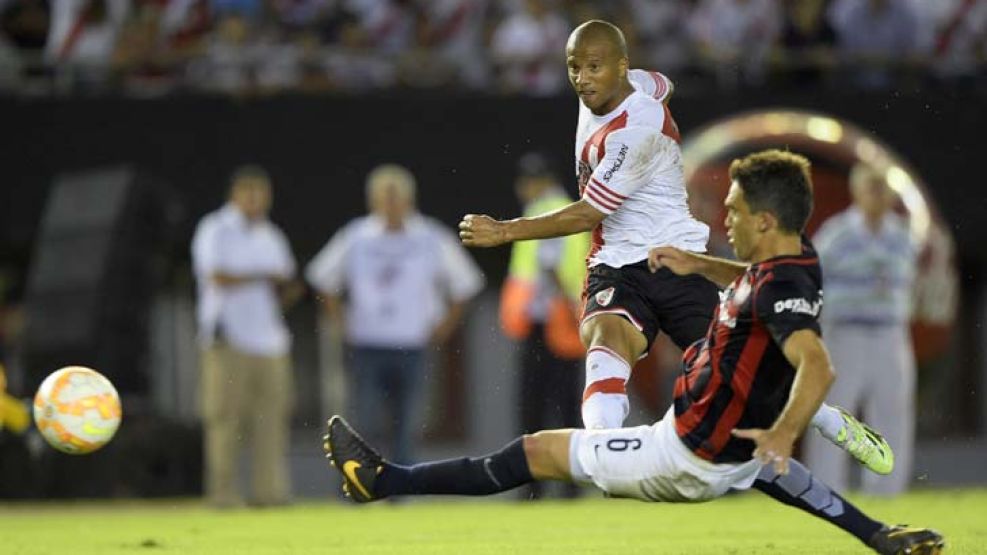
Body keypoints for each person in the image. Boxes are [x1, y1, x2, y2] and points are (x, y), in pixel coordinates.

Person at [323, 150, 944, 555]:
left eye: (730, 211)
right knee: (759, 457)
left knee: (533, 451)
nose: (719, 219)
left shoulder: (778, 287)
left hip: (681, 456)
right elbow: (759, 288)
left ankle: (382, 481)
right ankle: (878, 535)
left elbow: (818, 363)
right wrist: (696, 262)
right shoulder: (794, 260)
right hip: (723, 447)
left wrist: (785, 433)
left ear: (761, 220)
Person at [458, 19, 892, 475]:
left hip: (676, 262)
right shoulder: (629, 84)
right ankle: (605, 455)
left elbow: (589, 213)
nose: (582, 78)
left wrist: (505, 231)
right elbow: (663, 82)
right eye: (573, 67)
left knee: (745, 376)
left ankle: (833, 422)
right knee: (606, 340)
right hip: (616, 265)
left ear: (620, 67)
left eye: (593, 67)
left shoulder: (637, 127)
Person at [306, 164, 484, 464]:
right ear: (373, 200)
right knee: (363, 422)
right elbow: (322, 279)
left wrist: (443, 327)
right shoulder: (357, 236)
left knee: (408, 423)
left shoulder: (429, 237)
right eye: (384, 197)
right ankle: (357, 490)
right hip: (367, 343)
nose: (390, 204)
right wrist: (340, 322)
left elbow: (466, 284)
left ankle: (401, 490)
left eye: (396, 197)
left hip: (413, 344)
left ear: (409, 199)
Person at [804, 164, 919, 496]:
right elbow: (814, 281)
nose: (878, 196)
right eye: (872, 188)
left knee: (892, 412)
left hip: (890, 334)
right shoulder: (837, 233)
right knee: (835, 412)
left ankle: (887, 491)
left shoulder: (902, 235)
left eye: (882, 189)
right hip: (845, 334)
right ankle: (825, 488)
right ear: (857, 192)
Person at [191, 166, 299, 508]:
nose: (254, 200)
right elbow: (216, 275)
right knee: (225, 419)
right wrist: (262, 278)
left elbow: (283, 282)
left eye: (260, 193)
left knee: (271, 421)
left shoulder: (271, 234)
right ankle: (223, 495)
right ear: (234, 195)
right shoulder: (216, 228)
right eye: (247, 192)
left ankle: (270, 493)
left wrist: (286, 290)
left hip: (269, 340)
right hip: (228, 339)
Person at [500, 152, 588, 498]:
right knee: (567, 405)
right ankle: (573, 485)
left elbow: (548, 265)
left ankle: (533, 487)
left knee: (535, 407)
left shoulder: (544, 211)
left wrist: (568, 307)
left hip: (550, 321)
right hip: (563, 319)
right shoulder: (570, 206)